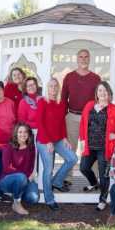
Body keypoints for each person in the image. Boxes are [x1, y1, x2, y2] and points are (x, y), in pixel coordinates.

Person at [79, 81, 115, 211]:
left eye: (105, 91)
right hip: (90, 146)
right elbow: (83, 123)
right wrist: (82, 140)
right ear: (96, 93)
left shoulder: (114, 109)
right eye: (100, 91)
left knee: (104, 175)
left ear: (109, 94)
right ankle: (94, 184)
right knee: (83, 167)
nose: (102, 93)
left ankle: (103, 199)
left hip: (104, 148)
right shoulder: (89, 105)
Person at [36, 78, 78, 211]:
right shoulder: (42, 102)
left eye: (55, 86)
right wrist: (48, 141)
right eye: (51, 86)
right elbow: (40, 123)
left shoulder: (61, 103)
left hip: (58, 139)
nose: (53, 89)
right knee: (48, 169)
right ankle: (49, 199)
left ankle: (57, 181)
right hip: (43, 140)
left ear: (58, 88)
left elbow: (61, 123)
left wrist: (65, 138)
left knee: (72, 158)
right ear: (47, 88)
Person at [61, 49, 101, 152]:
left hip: (89, 118)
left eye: (86, 57)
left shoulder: (96, 78)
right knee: (69, 150)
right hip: (72, 117)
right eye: (81, 57)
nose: (83, 59)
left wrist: (96, 117)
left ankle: (89, 169)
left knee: (89, 151)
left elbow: (99, 100)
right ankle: (69, 169)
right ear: (77, 59)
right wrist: (64, 116)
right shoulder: (69, 77)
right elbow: (63, 99)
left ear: (89, 59)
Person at [0, 123, 40, 215]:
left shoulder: (31, 148)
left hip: (24, 179)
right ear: (15, 134)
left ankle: (17, 193)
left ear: (29, 134)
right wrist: (25, 177)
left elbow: (30, 167)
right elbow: (7, 168)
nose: (23, 134)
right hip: (7, 180)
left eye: (25, 132)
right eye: (20, 132)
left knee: (33, 198)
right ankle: (17, 203)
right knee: (21, 177)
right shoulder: (8, 147)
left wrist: (28, 177)